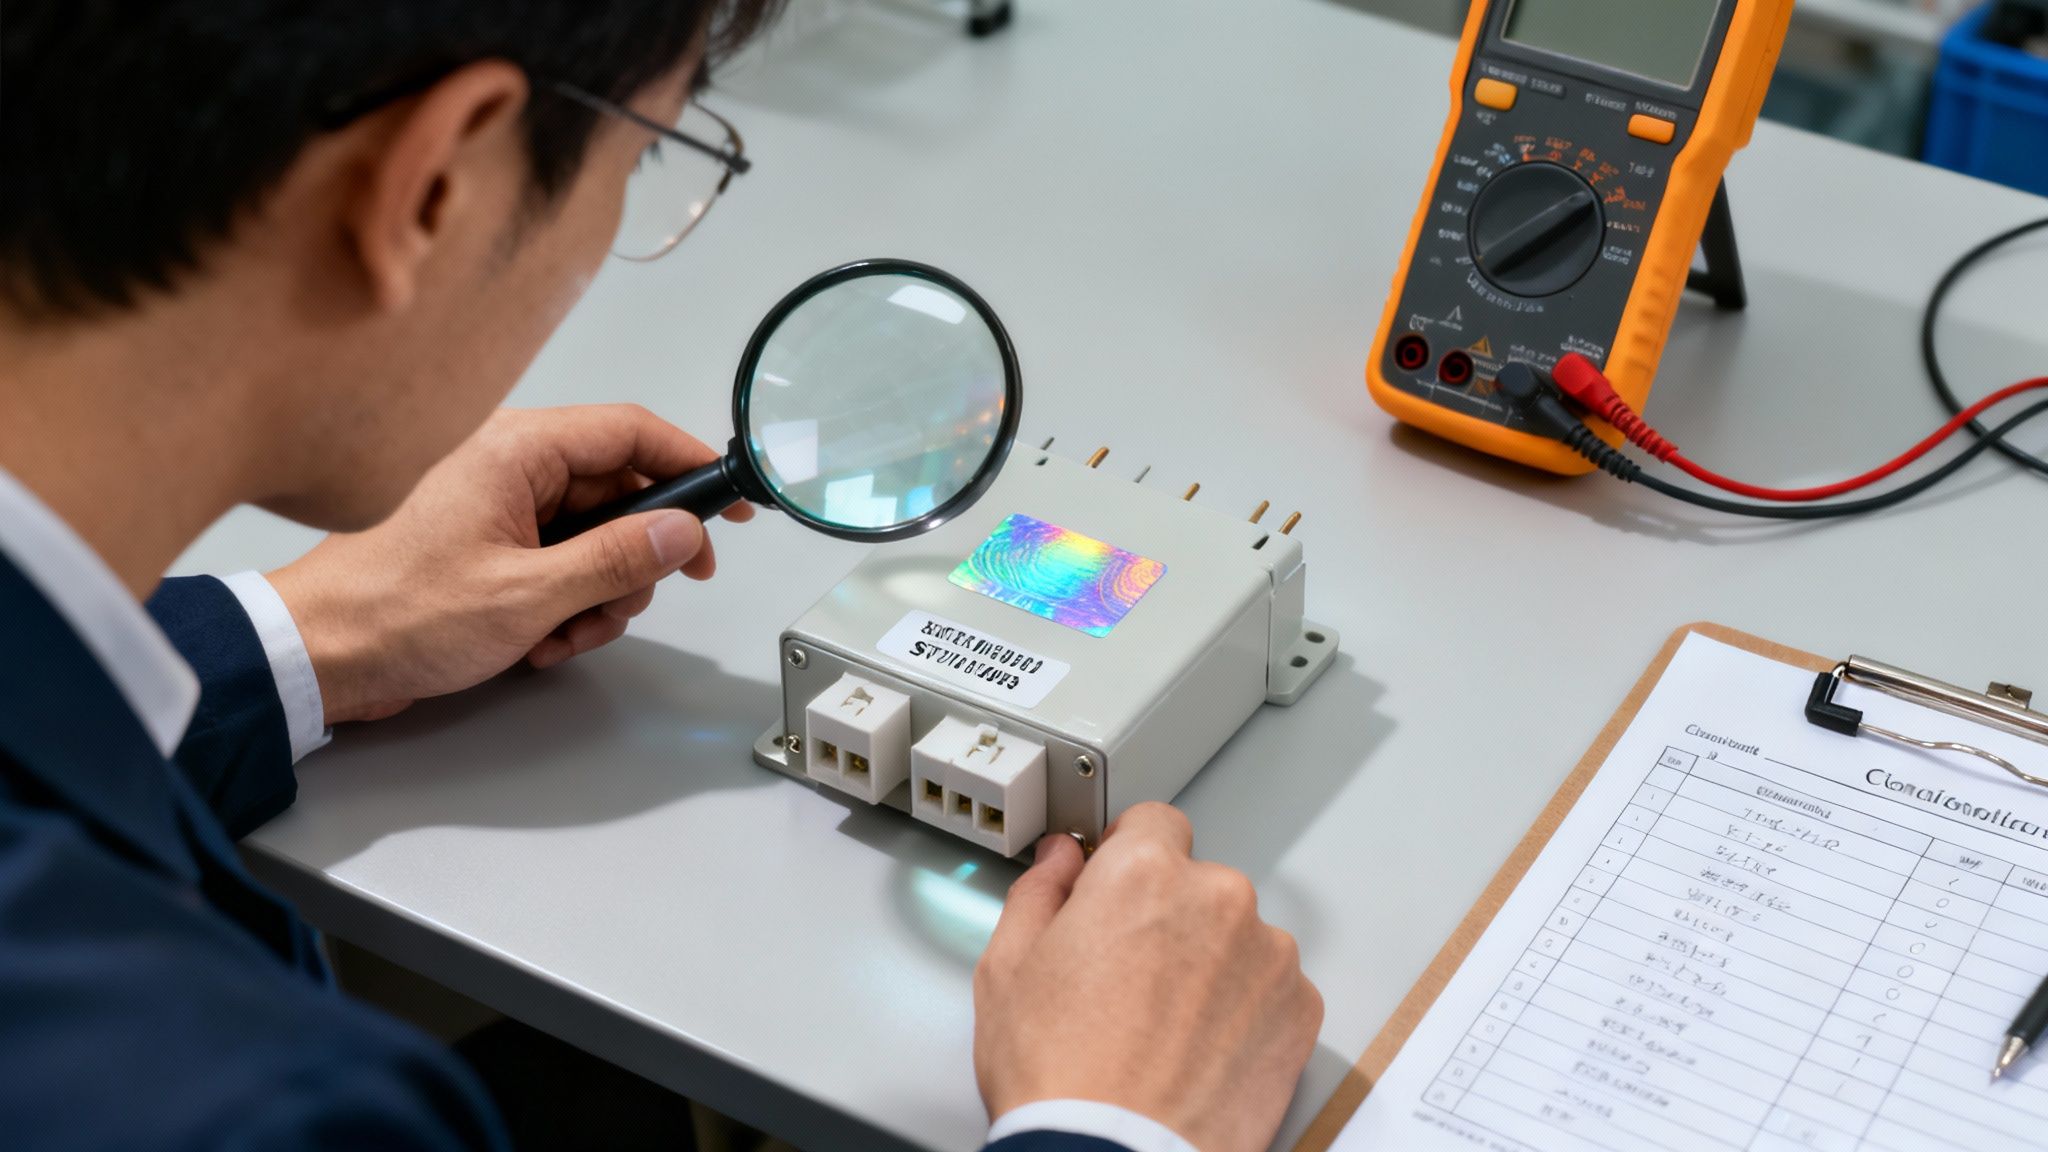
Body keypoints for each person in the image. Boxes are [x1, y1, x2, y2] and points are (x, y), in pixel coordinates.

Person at [0, 3, 1324, 1151]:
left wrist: (303, 639)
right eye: (646, 151)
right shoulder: (261, 1109)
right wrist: (1109, 1125)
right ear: (434, 184)